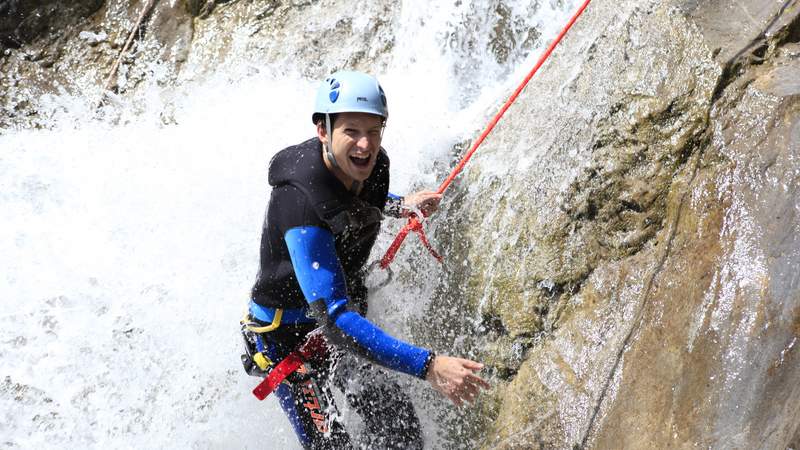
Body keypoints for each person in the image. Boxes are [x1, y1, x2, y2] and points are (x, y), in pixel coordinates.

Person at [241, 70, 490, 449]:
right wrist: (430, 365)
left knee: (399, 426)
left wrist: (398, 206)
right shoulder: (299, 205)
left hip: (332, 324)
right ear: (323, 130)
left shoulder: (371, 167)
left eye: (374, 131)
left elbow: (353, 202)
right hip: (290, 340)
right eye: (352, 131)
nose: (365, 144)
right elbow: (337, 319)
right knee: (331, 445)